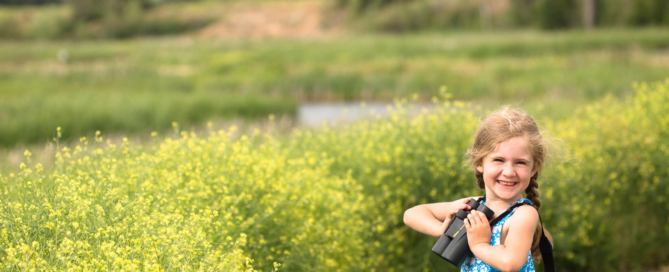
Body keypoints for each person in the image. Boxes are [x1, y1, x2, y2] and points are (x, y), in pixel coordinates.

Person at [403, 108, 554, 272]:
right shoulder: (472, 207)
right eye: (499, 160)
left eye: (520, 162)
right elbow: (411, 214)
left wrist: (478, 244)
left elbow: (511, 263)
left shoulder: (523, 214)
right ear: (479, 163)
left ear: (534, 168)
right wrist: (442, 229)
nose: (509, 172)